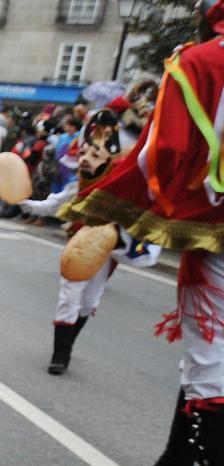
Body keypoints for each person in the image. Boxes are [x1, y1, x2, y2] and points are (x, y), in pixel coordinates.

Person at [63, 0, 224, 466]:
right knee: (211, 362)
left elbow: (166, 151)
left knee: (210, 365)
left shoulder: (199, 62)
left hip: (218, 232)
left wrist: (107, 202)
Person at [23, 110, 160, 375]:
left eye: (95, 155)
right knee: (70, 297)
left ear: (111, 157)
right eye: (84, 153)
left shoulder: (120, 190)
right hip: (78, 247)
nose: (85, 159)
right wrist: (24, 203)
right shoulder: (79, 185)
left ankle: (69, 341)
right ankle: (60, 355)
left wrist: (119, 239)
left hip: (105, 253)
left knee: (88, 302)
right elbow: (54, 204)